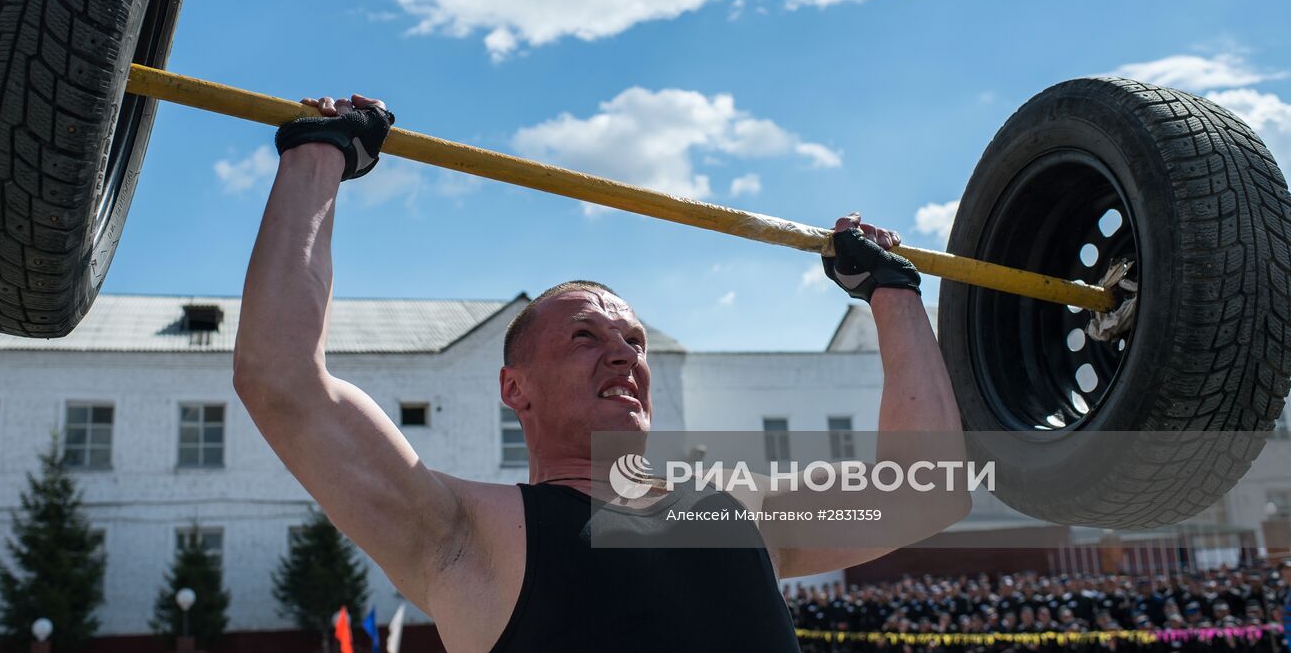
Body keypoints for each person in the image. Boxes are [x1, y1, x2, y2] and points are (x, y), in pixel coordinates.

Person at [233, 94, 970, 653]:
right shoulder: (463, 536)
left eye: (635, 341)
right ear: (513, 389)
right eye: (585, 336)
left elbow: (925, 493)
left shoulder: (731, 517)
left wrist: (893, 292)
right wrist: (317, 156)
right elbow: (282, 380)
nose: (624, 355)